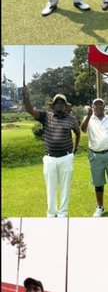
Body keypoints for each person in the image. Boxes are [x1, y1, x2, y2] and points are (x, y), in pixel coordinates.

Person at [23, 89, 79, 217]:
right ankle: (51, 214)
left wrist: (74, 150)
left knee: (65, 188)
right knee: (51, 188)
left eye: (62, 103)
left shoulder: (71, 119)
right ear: (53, 105)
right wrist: (27, 98)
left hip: (66, 157)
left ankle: (62, 214)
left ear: (65, 106)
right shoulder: (45, 116)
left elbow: (78, 132)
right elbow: (30, 110)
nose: (60, 104)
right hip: (50, 159)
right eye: (57, 102)